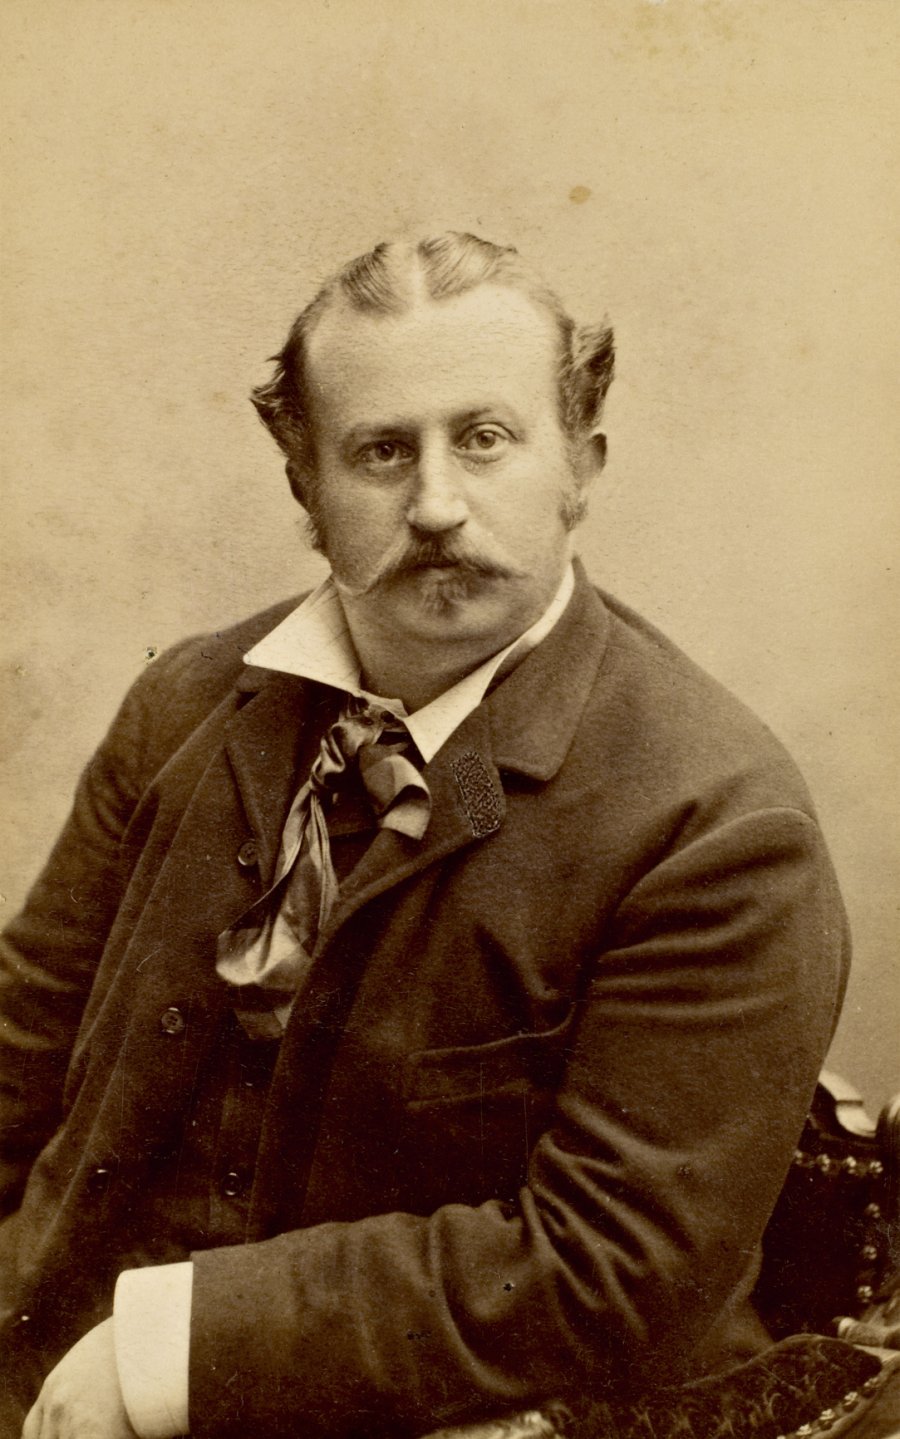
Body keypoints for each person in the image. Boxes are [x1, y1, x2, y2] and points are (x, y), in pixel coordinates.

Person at [0, 232, 862, 1437]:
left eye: (487, 438)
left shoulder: (718, 823)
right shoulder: (185, 703)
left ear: (581, 464)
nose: (439, 505)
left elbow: (614, 1268)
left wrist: (166, 1353)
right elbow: (22, 1051)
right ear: (305, 488)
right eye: (382, 451)